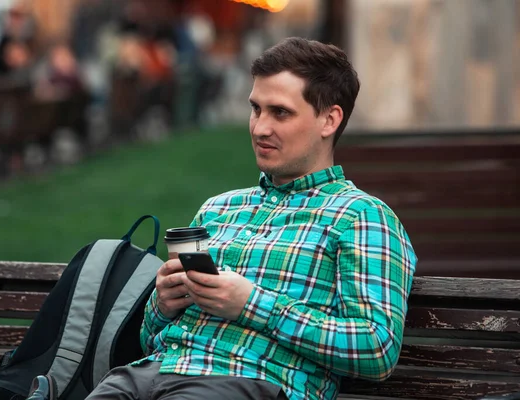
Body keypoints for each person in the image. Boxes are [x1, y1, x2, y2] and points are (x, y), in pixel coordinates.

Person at [87, 37, 417, 400]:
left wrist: (253, 305)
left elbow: (376, 350)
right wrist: (162, 305)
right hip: (146, 377)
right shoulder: (219, 208)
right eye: (256, 109)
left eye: (280, 112)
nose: (260, 128)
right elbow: (151, 340)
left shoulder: (362, 218)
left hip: (244, 384)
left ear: (329, 119)